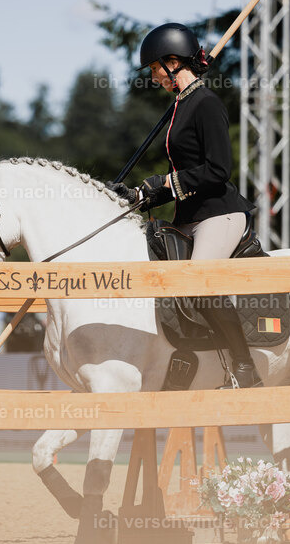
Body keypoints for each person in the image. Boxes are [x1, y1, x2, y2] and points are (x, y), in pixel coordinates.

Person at [110, 22, 263, 388]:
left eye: (155, 68)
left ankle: (245, 367)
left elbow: (217, 170)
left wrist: (166, 182)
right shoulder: (182, 105)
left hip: (220, 215)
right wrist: (144, 194)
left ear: (174, 61)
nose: (153, 77)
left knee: (197, 282)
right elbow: (182, 174)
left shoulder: (206, 103)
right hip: (190, 216)